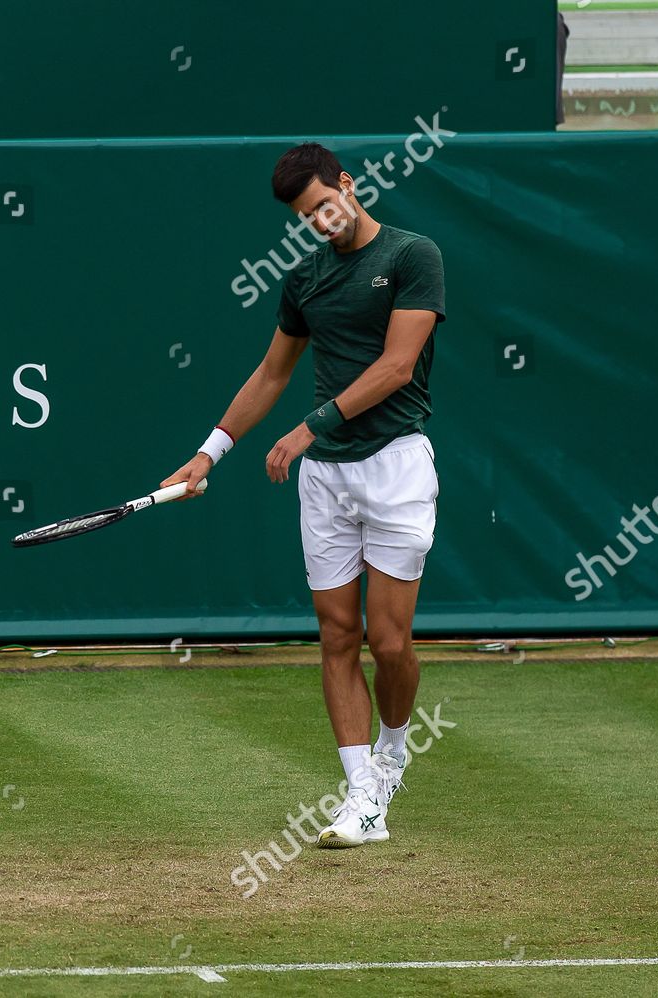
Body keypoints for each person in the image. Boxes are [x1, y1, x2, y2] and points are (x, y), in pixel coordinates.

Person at [163, 142, 445, 847]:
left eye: (324, 205)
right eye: (306, 216)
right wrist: (208, 455)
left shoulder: (414, 257)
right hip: (327, 482)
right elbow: (269, 374)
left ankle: (393, 748)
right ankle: (363, 797)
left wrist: (305, 431)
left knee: (390, 641)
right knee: (338, 636)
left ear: (348, 185)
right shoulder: (304, 280)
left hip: (397, 468)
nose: (320, 222)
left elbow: (399, 365)